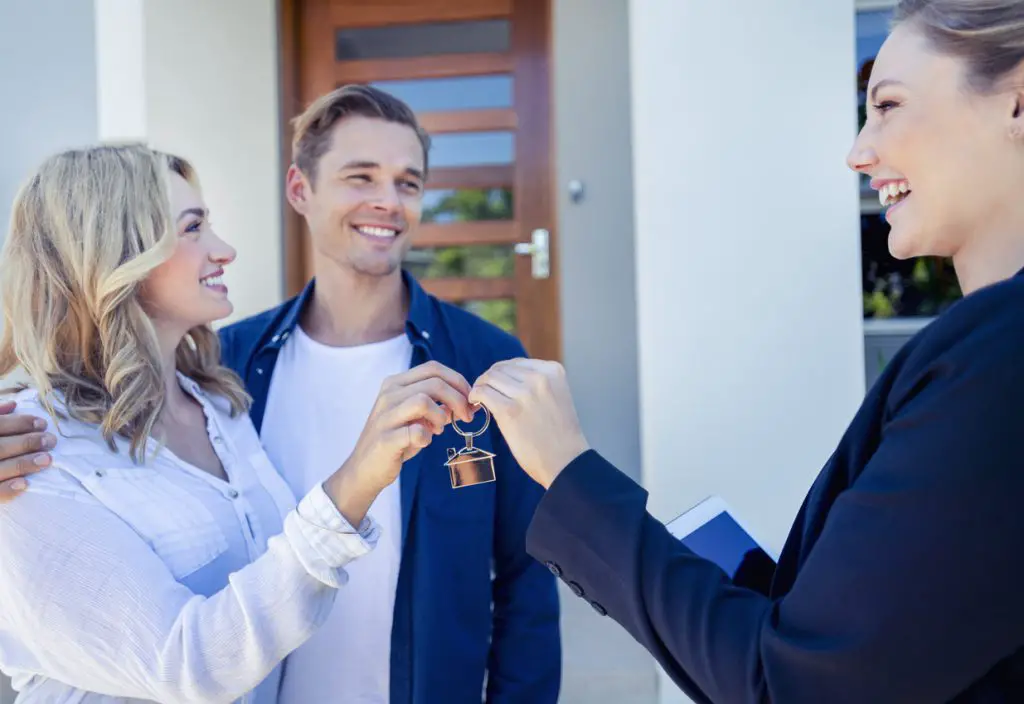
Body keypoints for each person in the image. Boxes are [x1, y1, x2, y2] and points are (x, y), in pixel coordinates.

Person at [468, 1, 1024, 702]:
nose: (859, 150)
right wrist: (770, 602)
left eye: (887, 105)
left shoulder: (1001, 356)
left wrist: (568, 471)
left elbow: (789, 686)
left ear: (1016, 103)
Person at [0, 85, 561, 703]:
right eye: (360, 176)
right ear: (300, 189)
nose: (388, 201)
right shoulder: (232, 365)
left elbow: (527, 576)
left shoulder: (481, 362)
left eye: (408, 182)